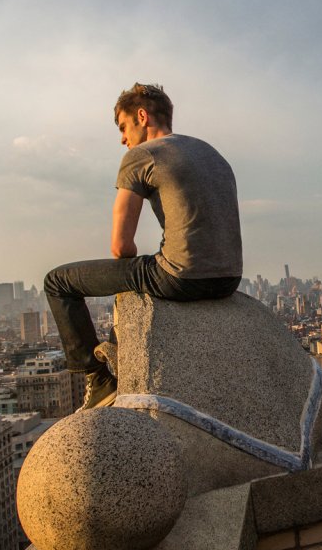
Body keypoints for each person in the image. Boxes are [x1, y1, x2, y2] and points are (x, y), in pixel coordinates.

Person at [43, 83, 243, 407]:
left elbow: (121, 247)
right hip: (229, 278)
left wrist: (133, 281)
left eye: (123, 127)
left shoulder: (142, 155)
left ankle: (99, 378)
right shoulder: (212, 153)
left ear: (141, 116)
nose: (123, 139)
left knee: (56, 282)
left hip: (181, 277)